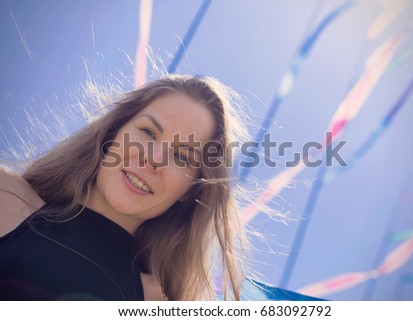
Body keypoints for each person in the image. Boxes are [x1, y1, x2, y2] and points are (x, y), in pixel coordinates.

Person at [0, 74, 249, 300]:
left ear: (190, 191)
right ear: (113, 133)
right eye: (148, 133)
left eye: (182, 157)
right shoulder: (6, 195)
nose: (153, 158)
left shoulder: (159, 304)